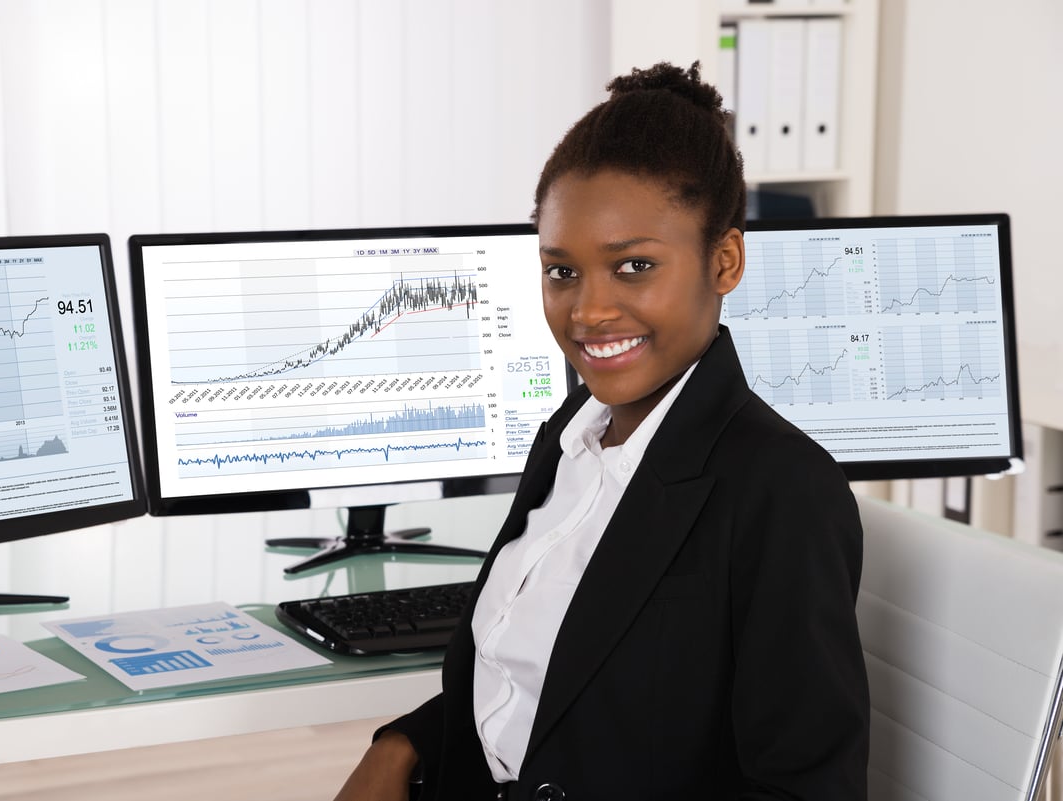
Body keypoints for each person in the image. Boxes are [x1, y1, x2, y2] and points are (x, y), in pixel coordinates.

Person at [334, 60, 869, 801]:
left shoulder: (780, 488)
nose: (587, 312)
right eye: (562, 272)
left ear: (726, 260)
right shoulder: (571, 432)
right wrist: (404, 742)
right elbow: (539, 683)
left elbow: (805, 789)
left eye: (634, 265)